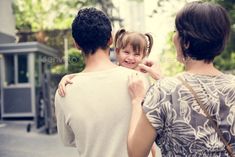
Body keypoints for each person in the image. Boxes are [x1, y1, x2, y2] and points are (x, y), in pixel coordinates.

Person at [128, 1, 235, 157]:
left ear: (186, 42)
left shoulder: (163, 91)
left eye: (176, 31)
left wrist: (137, 100)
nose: (174, 37)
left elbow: (136, 153)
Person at [54, 7, 150, 157]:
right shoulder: (139, 81)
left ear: (76, 44)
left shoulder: (64, 91)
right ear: (111, 39)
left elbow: (68, 140)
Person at [57, 28, 160, 97]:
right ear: (117, 51)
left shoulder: (142, 74)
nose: (130, 58)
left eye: (136, 54)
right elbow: (95, 74)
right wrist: (69, 77)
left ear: (143, 55)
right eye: (126, 52)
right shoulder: (113, 70)